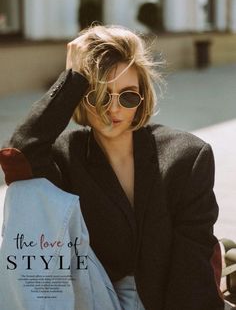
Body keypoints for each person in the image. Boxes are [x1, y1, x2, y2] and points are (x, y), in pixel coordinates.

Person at [0, 25, 224, 310]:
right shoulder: (66, 154)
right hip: (91, 292)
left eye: (128, 96)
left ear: (142, 97)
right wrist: (72, 79)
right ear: (82, 97)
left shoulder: (187, 156)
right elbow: (18, 153)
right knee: (27, 191)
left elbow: (190, 265)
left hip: (160, 298)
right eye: (99, 95)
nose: (114, 109)